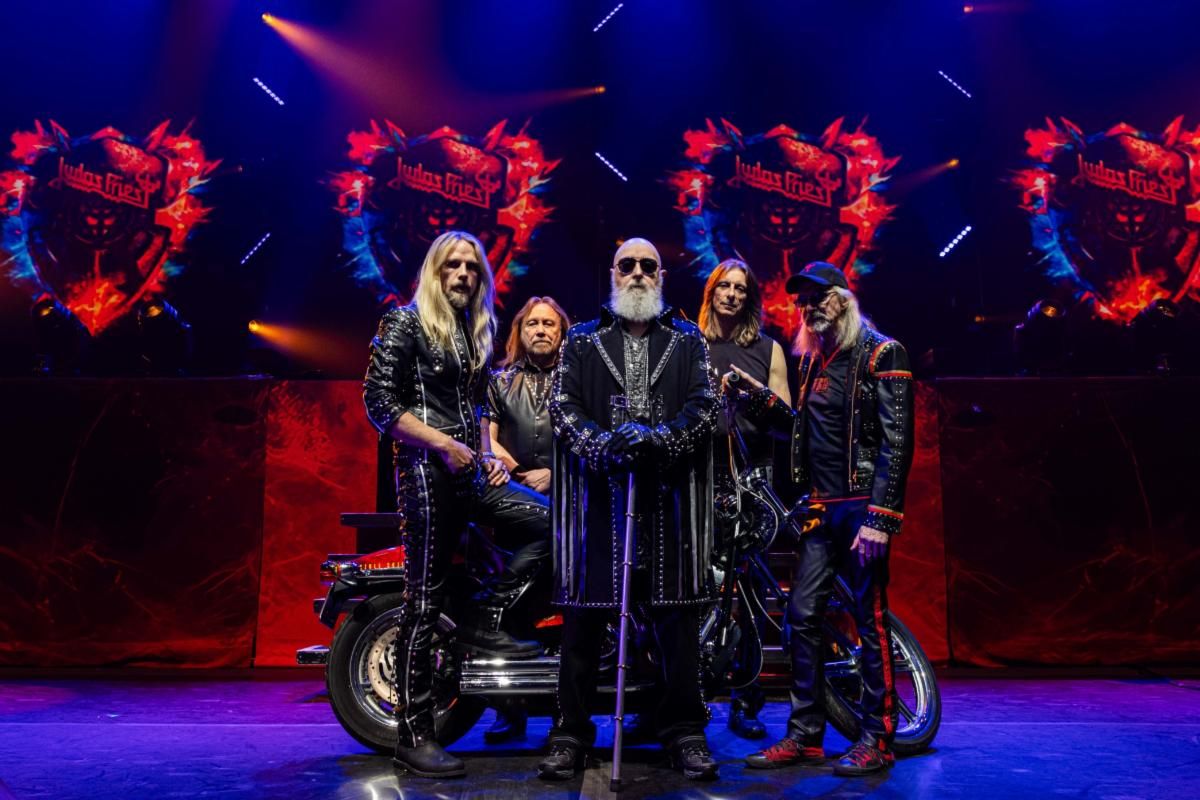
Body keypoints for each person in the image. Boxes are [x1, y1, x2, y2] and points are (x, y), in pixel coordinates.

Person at [363, 230, 550, 778]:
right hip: (426, 474)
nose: (464, 274)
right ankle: (413, 735)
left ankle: (484, 620)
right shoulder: (405, 323)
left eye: (472, 266)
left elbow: (475, 406)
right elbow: (379, 404)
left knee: (551, 522)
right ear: (435, 271)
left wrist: (486, 453)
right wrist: (442, 444)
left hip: (470, 472)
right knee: (424, 601)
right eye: (453, 265)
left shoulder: (472, 331)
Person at [538, 238, 721, 782]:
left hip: (669, 506)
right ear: (613, 273)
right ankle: (570, 734)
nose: (637, 272)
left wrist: (660, 440)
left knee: (677, 626)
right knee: (582, 627)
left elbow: (704, 406)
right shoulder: (581, 339)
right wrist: (604, 445)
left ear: (660, 275)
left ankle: (684, 732)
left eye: (648, 265)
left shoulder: (687, 339)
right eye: (628, 265)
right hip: (597, 504)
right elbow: (562, 407)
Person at [732, 261, 914, 777]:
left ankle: (877, 738)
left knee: (868, 620)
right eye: (802, 301)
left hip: (861, 508)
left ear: (843, 299)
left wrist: (881, 518)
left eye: (818, 297)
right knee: (801, 616)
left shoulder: (883, 353)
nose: (809, 308)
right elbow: (803, 431)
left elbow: (897, 443)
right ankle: (805, 735)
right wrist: (759, 398)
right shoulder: (813, 361)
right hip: (822, 507)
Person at [697, 259, 791, 740]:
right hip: (697, 480)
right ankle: (691, 695)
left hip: (751, 482)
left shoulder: (769, 349)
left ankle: (746, 700)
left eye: (741, 288)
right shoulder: (691, 344)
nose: (732, 294)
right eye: (725, 286)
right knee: (697, 589)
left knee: (749, 594)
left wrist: (755, 395)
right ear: (712, 292)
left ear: (750, 297)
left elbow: (787, 420)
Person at [479, 295, 571, 743]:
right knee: (515, 620)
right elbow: (487, 438)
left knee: (561, 615)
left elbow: (584, 438)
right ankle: (509, 712)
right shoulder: (500, 381)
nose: (540, 330)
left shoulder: (575, 381)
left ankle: (562, 715)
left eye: (549, 324)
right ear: (520, 330)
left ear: (562, 333)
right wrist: (517, 472)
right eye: (533, 323)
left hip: (566, 496)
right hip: (515, 500)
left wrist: (555, 474)